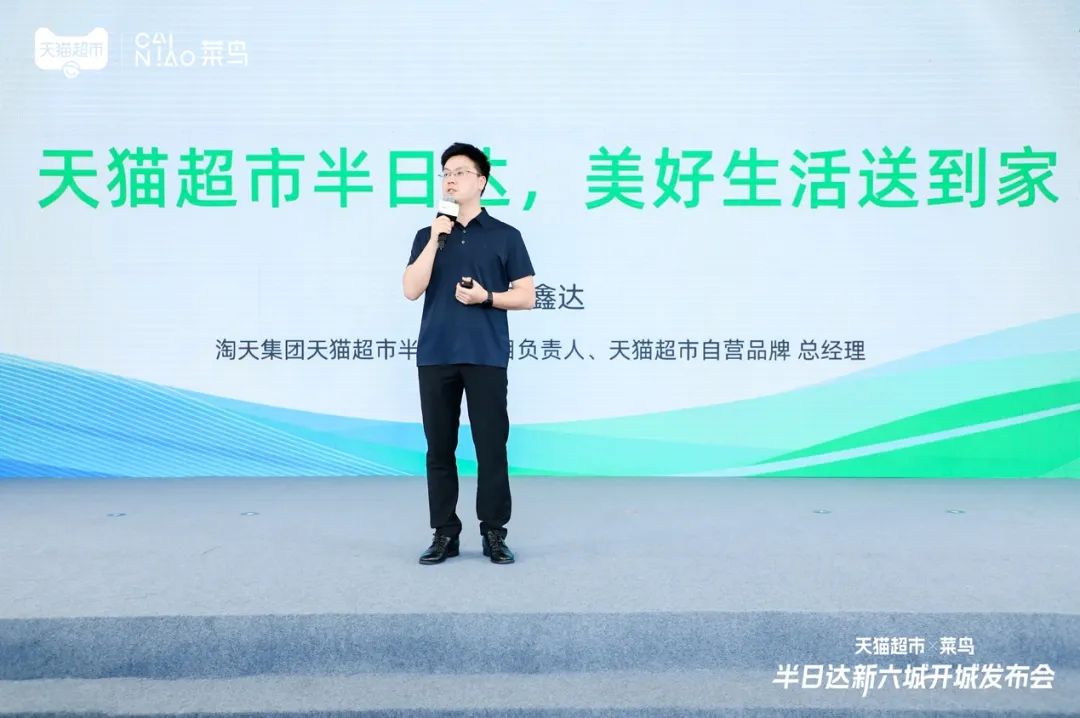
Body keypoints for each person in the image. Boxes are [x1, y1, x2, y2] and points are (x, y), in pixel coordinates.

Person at [402, 142, 536, 565]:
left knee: (491, 447)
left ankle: (494, 532)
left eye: (460, 172)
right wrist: (435, 238)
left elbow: (527, 296)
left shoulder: (506, 236)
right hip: (436, 354)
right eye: (445, 173)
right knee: (439, 449)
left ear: (481, 181)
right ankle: (444, 532)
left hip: (485, 355)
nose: (450, 179)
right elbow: (411, 289)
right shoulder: (427, 235)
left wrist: (486, 297)